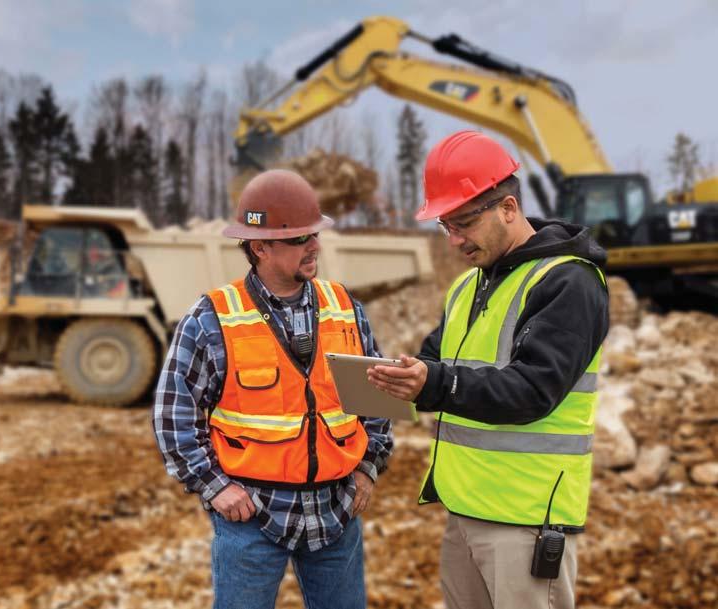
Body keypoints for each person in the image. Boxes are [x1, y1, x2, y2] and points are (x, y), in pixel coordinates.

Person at [367, 131, 609, 609]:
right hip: (465, 510)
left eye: (463, 223)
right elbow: (435, 360)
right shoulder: (467, 287)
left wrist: (433, 383)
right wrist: (402, 376)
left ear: (508, 208)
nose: (454, 239)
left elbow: (533, 390)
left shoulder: (568, 282)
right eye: (445, 226)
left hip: (526, 518)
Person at [153, 169, 393, 609]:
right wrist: (214, 486)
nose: (315, 246)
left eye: (314, 234)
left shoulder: (344, 308)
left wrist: (368, 465)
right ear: (259, 247)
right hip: (251, 519)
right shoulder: (212, 318)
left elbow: (374, 398)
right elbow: (174, 416)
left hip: (335, 514)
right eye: (300, 238)